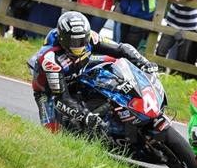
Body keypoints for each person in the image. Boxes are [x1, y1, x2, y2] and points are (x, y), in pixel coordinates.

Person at [30, 11, 159, 133]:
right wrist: (85, 116)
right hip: (50, 91)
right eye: (75, 42)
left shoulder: (90, 36)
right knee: (54, 133)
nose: (80, 46)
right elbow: (62, 99)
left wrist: (144, 63)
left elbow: (121, 48)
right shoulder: (50, 60)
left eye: (83, 41)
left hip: (81, 68)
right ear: (63, 39)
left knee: (113, 61)